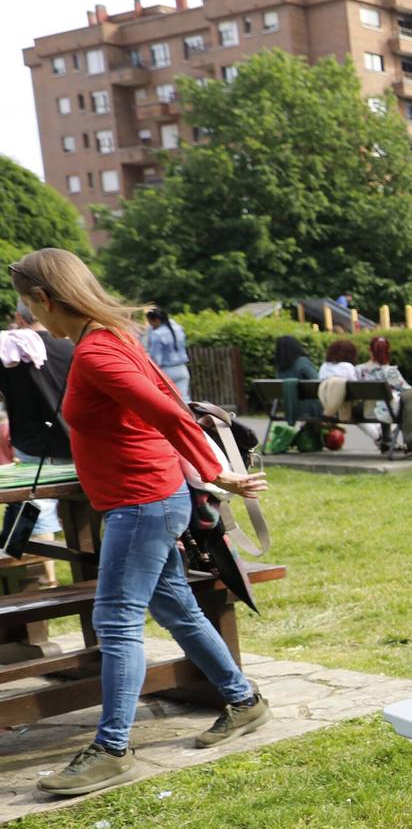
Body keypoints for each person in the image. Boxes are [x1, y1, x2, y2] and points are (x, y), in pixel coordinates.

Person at [10, 249, 270, 796]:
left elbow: (166, 409)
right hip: (147, 498)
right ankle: (244, 700)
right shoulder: (107, 339)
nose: (34, 320)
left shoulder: (99, 353)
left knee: (116, 622)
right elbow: (158, 408)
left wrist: (215, 472)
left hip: (141, 503)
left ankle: (111, 748)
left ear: (44, 298)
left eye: (29, 307)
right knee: (175, 606)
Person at [0, 302, 74, 548]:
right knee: (82, 506)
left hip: (34, 445)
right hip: (77, 439)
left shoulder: (10, 351)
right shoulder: (73, 344)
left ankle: (38, 575)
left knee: (33, 509)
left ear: (20, 318)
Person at [353, 335, 411, 450]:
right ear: (388, 351)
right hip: (385, 411)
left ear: (370, 350)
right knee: (402, 405)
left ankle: (382, 438)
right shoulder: (390, 372)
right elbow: (406, 390)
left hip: (363, 410)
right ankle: (387, 438)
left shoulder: (358, 370)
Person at [272, 333, 322, 424]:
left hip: (289, 408)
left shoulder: (279, 368)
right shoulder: (302, 362)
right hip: (311, 408)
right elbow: (317, 382)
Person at [143, 306, 190, 400]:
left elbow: (155, 359)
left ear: (156, 320)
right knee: (184, 399)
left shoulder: (157, 334)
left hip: (166, 371)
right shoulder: (178, 328)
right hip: (182, 369)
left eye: (150, 322)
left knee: (167, 400)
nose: (150, 325)